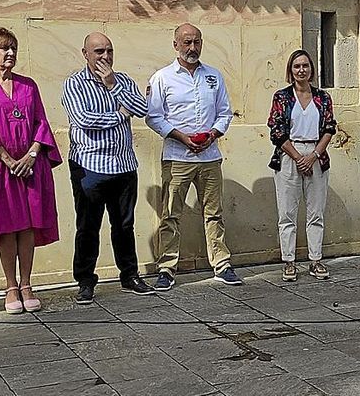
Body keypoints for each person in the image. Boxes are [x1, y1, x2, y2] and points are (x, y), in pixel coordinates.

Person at [0, 27, 63, 314]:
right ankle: (10, 286)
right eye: (4, 48)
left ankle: (28, 283)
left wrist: (31, 154)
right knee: (6, 226)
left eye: (13, 48)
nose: (10, 53)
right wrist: (8, 160)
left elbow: (41, 122)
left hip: (31, 166)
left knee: (28, 225)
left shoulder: (29, 85)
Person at [146, 23, 242, 290]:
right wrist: (182, 137)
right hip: (177, 156)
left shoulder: (213, 76)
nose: (192, 48)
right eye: (186, 42)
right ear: (175, 44)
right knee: (170, 214)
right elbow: (154, 117)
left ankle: (222, 264)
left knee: (214, 213)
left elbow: (225, 112)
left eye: (196, 42)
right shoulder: (162, 78)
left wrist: (213, 134)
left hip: (210, 156)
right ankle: (166, 268)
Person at [61, 32, 155, 304]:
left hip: (124, 164)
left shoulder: (122, 80)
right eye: (99, 51)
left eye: (109, 51)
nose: (105, 57)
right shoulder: (74, 84)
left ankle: (129, 275)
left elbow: (141, 109)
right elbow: (84, 120)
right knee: (88, 226)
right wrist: (119, 115)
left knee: (124, 224)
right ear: (85, 53)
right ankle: (85, 281)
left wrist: (113, 85)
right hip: (89, 166)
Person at [267, 50, 337, 282]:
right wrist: (298, 157)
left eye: (305, 66)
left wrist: (314, 155)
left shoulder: (323, 98)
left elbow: (329, 128)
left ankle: (315, 259)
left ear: (311, 69)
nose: (301, 70)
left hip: (316, 154)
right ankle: (289, 261)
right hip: (289, 154)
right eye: (296, 66)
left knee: (315, 212)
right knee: (287, 212)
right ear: (291, 70)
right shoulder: (282, 97)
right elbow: (276, 131)